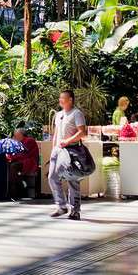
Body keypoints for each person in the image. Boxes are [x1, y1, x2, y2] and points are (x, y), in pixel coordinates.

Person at [47, 90, 88, 221]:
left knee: (72, 180)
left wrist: (68, 141)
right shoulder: (59, 115)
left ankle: (75, 210)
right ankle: (61, 206)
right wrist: (53, 149)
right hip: (58, 151)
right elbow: (56, 133)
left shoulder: (77, 113)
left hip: (71, 151)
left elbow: (82, 132)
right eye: (60, 98)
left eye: (62, 98)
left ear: (70, 99)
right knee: (52, 177)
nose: (60, 100)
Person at [5, 126, 41, 199]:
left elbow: (23, 154)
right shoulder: (19, 141)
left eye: (16, 135)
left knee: (13, 166)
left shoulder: (29, 140)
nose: (14, 137)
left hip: (29, 162)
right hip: (21, 160)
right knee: (8, 165)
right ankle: (14, 187)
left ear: (21, 135)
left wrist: (12, 157)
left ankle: (16, 189)